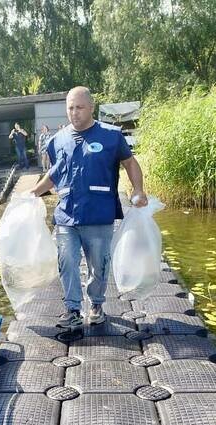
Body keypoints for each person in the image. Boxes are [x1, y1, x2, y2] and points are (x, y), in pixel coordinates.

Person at [31, 86, 148, 328]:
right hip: (66, 215)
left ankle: (96, 303)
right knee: (67, 260)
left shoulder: (111, 136)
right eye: (70, 108)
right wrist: (31, 194)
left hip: (99, 214)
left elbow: (130, 162)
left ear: (91, 107)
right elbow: (54, 174)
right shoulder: (57, 140)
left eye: (79, 107)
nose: (74, 113)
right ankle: (73, 308)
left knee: (99, 264)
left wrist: (138, 189)